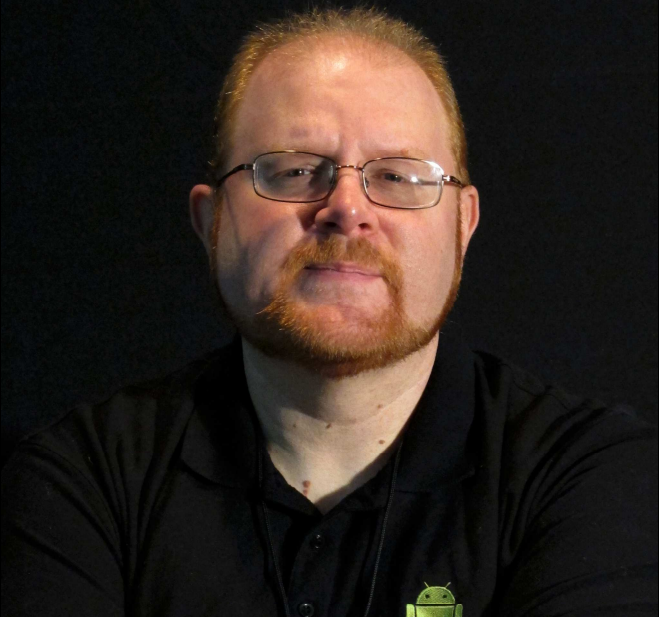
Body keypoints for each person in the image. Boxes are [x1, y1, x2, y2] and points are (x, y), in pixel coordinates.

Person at [2, 7, 656, 616]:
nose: (346, 207)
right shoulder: (81, 480)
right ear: (211, 222)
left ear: (462, 226)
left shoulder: (591, 476)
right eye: (290, 172)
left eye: (398, 176)